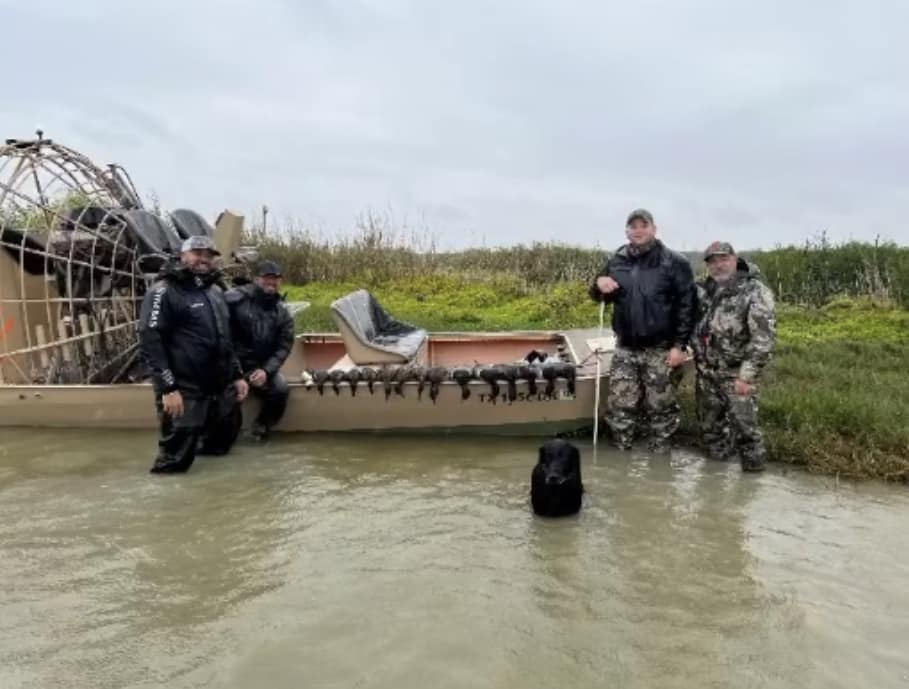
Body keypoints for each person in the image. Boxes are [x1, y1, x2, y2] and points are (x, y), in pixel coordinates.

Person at [138, 235, 249, 474]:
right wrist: (168, 388)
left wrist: (238, 375)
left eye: (208, 255)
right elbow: (150, 340)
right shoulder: (163, 291)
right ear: (183, 255)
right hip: (184, 390)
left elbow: (226, 337)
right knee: (175, 463)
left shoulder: (216, 290)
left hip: (220, 389)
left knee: (220, 448)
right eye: (197, 253)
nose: (203, 259)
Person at [589, 208, 696, 452]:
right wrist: (598, 285)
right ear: (626, 231)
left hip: (660, 349)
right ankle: (621, 458)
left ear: (654, 229)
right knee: (620, 407)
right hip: (625, 347)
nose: (638, 230)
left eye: (643, 225)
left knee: (661, 407)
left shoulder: (675, 262)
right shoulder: (616, 259)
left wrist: (680, 346)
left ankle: (660, 463)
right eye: (633, 226)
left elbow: (688, 306)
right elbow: (598, 294)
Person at [691, 241, 776, 472]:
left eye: (724, 259)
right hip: (706, 375)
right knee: (711, 432)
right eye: (713, 261)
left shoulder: (755, 291)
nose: (719, 265)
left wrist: (746, 377)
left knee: (747, 433)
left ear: (735, 259)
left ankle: (751, 481)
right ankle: (715, 487)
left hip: (736, 375)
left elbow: (763, 339)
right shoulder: (703, 290)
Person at [226, 260, 295, 441]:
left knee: (280, 390)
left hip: (262, 366)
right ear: (257, 279)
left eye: (276, 279)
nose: (271, 283)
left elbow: (284, 346)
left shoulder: (283, 312)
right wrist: (236, 374)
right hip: (232, 364)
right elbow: (223, 336)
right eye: (267, 278)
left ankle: (261, 426)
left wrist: (266, 371)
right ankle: (224, 434)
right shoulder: (236, 300)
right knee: (222, 394)